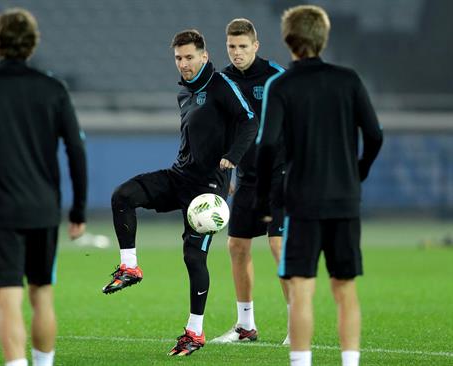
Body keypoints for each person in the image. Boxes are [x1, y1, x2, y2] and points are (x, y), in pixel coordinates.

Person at [102, 29, 259, 356]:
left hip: (207, 192)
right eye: (178, 58)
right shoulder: (184, 94)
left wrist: (232, 158)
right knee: (123, 195)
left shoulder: (221, 86)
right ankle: (129, 267)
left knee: (193, 256)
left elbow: (249, 121)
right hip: (179, 177)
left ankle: (195, 333)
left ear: (204, 56)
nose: (184, 64)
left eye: (189, 57)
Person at [0, 8, 87, 366]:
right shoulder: (53, 88)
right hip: (44, 209)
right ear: (32, 41)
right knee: (42, 293)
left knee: (8, 298)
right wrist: (79, 210)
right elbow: (76, 149)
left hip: (3, 211)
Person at [255, 5, 383, 366]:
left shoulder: (280, 85)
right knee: (345, 288)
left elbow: (266, 145)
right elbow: (374, 134)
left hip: (302, 202)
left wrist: (265, 200)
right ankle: (350, 362)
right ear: (323, 37)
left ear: (288, 38)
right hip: (344, 200)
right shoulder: (348, 80)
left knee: (301, 288)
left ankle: (301, 363)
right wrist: (359, 171)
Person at [211, 18, 290, 345]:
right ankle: (245, 326)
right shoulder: (222, 80)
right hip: (246, 177)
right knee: (237, 246)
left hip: (280, 174)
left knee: (278, 245)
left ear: (256, 46)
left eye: (243, 46)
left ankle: (296, 323)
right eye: (232, 47)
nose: (237, 53)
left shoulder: (277, 77)